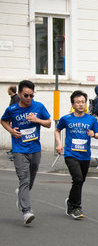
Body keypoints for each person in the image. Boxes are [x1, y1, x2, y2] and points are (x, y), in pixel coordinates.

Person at [1, 80, 52, 225]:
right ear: (19, 94)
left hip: (35, 148)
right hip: (19, 149)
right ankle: (26, 211)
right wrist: (11, 131)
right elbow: (3, 120)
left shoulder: (38, 107)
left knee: (31, 177)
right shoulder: (12, 109)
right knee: (24, 178)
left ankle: (21, 195)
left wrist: (37, 120)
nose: (29, 98)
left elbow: (48, 123)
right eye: (26, 95)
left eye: (31, 95)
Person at [54, 91, 98, 219]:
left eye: (83, 102)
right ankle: (77, 207)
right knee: (78, 178)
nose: (81, 104)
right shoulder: (66, 118)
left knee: (80, 181)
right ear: (73, 104)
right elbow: (57, 130)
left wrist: (94, 135)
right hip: (70, 154)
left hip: (85, 155)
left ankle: (70, 201)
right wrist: (59, 144)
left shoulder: (91, 119)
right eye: (78, 102)